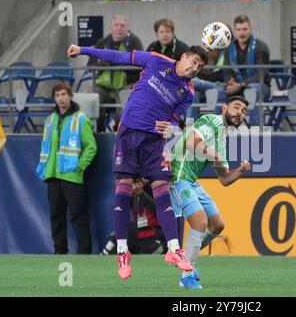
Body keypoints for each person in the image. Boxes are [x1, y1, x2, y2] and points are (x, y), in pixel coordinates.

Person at [67, 42, 208, 280]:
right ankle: (122, 251)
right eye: (194, 62)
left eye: (200, 66)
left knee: (163, 191)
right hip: (129, 133)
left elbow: (174, 121)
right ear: (183, 57)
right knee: (123, 189)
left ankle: (175, 250)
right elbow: (118, 56)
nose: (195, 68)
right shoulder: (156, 60)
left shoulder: (189, 92)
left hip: (155, 142)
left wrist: (171, 127)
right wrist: (83, 50)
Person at [169, 96, 251, 289]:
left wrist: (240, 170)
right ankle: (187, 274)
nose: (240, 112)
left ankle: (187, 258)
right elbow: (190, 142)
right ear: (224, 109)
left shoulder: (222, 139)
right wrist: (214, 154)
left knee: (217, 225)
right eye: (236, 107)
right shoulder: (213, 121)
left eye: (244, 111)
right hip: (177, 177)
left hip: (191, 182)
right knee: (200, 222)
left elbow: (224, 179)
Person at [36, 83, 97, 254]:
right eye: (57, 95)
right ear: (54, 99)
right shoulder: (50, 121)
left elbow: (91, 147)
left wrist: (79, 167)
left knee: (78, 217)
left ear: (70, 96)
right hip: (53, 176)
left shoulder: (81, 119)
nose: (61, 98)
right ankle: (59, 251)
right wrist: (44, 169)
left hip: (72, 177)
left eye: (64, 94)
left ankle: (84, 253)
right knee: (56, 217)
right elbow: (45, 147)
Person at [87, 15, 143, 132]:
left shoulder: (134, 42)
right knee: (92, 96)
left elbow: (140, 65)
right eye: (116, 25)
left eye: (122, 26)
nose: (119, 28)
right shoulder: (102, 43)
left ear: (127, 28)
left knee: (125, 97)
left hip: (127, 85)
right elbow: (90, 65)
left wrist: (117, 61)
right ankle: (94, 130)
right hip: (105, 86)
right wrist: (100, 64)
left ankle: (119, 132)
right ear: (111, 27)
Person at [101, 178, 167, 255]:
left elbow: (160, 210)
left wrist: (141, 194)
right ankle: (101, 258)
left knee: (152, 249)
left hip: (155, 235)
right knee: (118, 237)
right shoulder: (133, 191)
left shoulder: (156, 187)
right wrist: (122, 190)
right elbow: (122, 209)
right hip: (138, 234)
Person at [223, 15, 271, 101]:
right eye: (238, 30)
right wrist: (230, 81)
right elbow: (226, 71)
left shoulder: (261, 47)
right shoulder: (228, 48)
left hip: (259, 86)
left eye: (245, 29)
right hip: (236, 86)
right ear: (234, 31)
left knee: (252, 91)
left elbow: (261, 74)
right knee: (217, 92)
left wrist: (242, 84)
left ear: (250, 29)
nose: (241, 33)